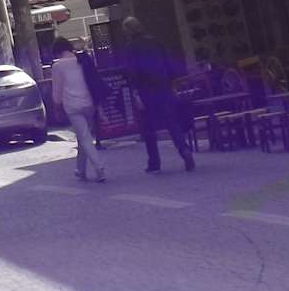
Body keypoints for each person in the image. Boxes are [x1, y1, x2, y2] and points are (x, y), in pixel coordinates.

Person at [120, 15, 194, 174]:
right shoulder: (154, 42)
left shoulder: (130, 47)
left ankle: (154, 162)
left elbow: (131, 72)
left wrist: (135, 91)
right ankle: (184, 150)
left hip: (145, 89)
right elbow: (168, 62)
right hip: (163, 86)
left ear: (127, 31)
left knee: (148, 128)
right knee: (171, 122)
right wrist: (172, 82)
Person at [52, 37, 107, 183]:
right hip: (89, 102)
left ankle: (99, 168)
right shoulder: (82, 60)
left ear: (57, 51)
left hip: (72, 106)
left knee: (84, 137)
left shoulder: (58, 66)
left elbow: (57, 90)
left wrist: (57, 107)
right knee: (83, 137)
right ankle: (80, 170)